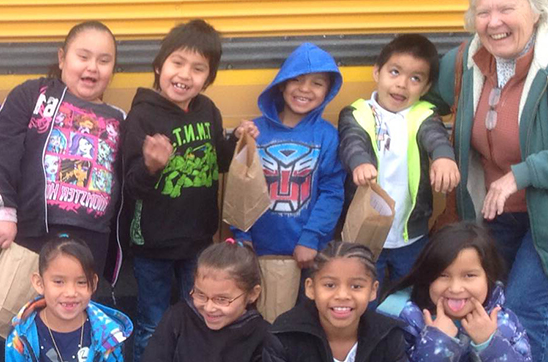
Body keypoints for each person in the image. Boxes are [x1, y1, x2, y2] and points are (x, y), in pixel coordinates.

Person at [429, 1, 548, 360]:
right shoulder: (466, 62)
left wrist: (520, 176)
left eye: (507, 8)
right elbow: (424, 104)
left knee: (524, 311)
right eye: (483, 12)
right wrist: (440, 150)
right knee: (483, 306)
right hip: (497, 212)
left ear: (539, 11)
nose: (494, 22)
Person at [122, 19, 260, 359]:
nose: (185, 75)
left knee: (200, 315)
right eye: (177, 63)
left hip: (199, 240)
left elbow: (220, 162)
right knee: (154, 321)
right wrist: (152, 166)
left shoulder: (208, 110)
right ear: (159, 66)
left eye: (198, 69)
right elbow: (129, 185)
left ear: (209, 78)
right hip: (152, 243)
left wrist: (238, 140)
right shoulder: (141, 117)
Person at [0, 21, 126, 282]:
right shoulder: (34, 95)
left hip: (94, 236)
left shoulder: (120, 119)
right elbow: (2, 149)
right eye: (83, 56)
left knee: (80, 312)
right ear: (62, 58)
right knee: (23, 312)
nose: (92, 67)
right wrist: (5, 211)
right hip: (34, 230)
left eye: (104, 60)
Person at [231, 42, 345, 319]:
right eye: (296, 79)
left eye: (317, 83)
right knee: (255, 319)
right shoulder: (256, 131)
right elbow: (239, 189)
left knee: (304, 320)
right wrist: (242, 237)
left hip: (307, 253)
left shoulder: (327, 136)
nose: (305, 89)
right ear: (280, 85)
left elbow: (332, 192)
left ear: (327, 92)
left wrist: (311, 238)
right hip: (256, 250)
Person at [337, 34, 459, 292]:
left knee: (411, 294)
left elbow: (435, 136)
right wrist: (359, 162)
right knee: (367, 293)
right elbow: (352, 140)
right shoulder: (358, 112)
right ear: (377, 73)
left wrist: (444, 156)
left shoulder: (423, 114)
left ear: (426, 88)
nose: (402, 84)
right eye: (394, 72)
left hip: (411, 234)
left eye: (415, 78)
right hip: (366, 233)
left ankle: (405, 333)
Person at [377, 222, 530, 361]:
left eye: (469, 275)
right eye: (443, 275)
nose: (455, 289)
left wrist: (490, 344)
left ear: (489, 277)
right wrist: (437, 344)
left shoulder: (504, 323)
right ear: (427, 275)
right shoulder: (401, 319)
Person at [265, 242, 409, 362]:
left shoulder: (388, 337)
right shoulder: (285, 336)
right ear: (310, 288)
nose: (342, 295)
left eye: (356, 286)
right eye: (330, 285)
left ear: (373, 290)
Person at [5, 236, 133, 362]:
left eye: (81, 282)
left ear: (93, 284)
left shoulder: (109, 336)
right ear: (39, 283)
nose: (71, 292)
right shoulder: (21, 336)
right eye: (59, 281)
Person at [143, 240, 273, 362]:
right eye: (201, 295)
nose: (209, 307)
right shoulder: (178, 318)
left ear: (252, 294)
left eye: (222, 299)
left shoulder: (263, 337)